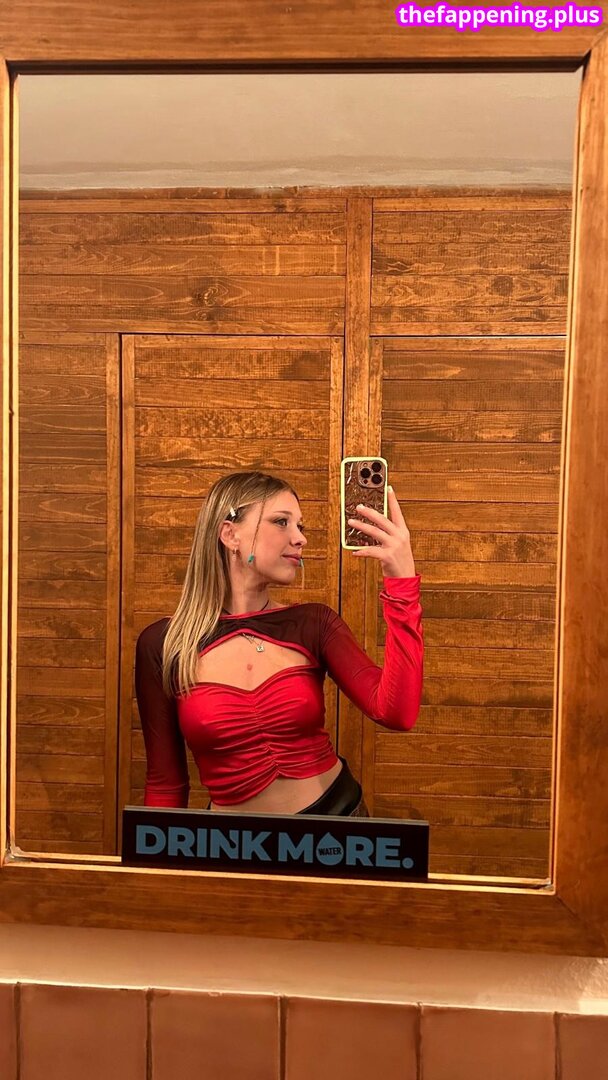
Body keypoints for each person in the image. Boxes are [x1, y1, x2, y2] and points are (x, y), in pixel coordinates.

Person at [135, 470, 423, 818]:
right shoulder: (164, 643)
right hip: (230, 843)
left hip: (337, 828)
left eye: (300, 526)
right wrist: (155, 853)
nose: (300, 538)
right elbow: (165, 783)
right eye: (281, 522)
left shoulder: (313, 623)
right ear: (230, 534)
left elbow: (396, 712)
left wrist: (402, 583)